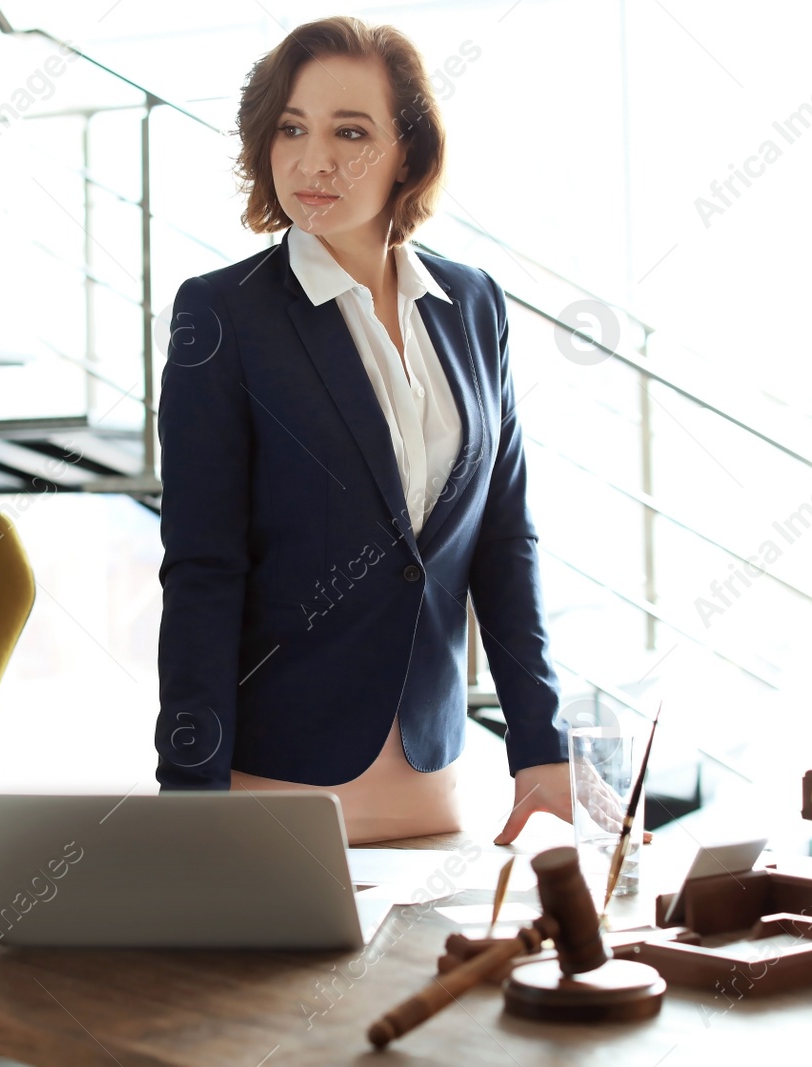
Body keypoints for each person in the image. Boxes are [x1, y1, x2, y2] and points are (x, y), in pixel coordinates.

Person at [152, 14, 575, 846]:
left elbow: (504, 541)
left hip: (434, 781)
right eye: (291, 129)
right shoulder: (223, 316)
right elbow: (202, 570)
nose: (314, 162)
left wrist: (541, 743)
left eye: (351, 132)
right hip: (277, 785)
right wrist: (188, 798)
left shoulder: (475, 305)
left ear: (409, 154)